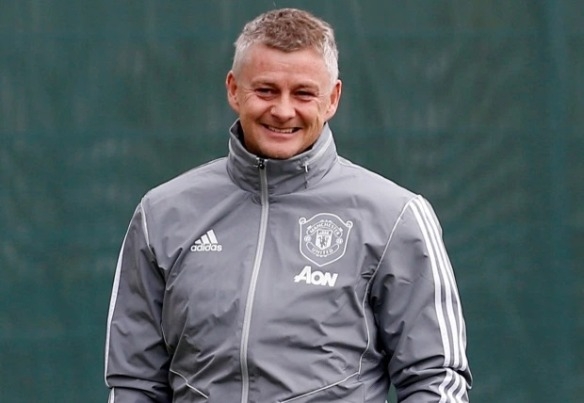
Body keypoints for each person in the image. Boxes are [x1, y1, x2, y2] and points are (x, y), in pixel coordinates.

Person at [104, 8, 472, 403]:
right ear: (233, 90)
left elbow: (435, 378)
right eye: (265, 90)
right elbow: (135, 381)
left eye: (303, 93)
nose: (282, 111)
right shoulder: (162, 213)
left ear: (332, 99)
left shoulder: (395, 217)